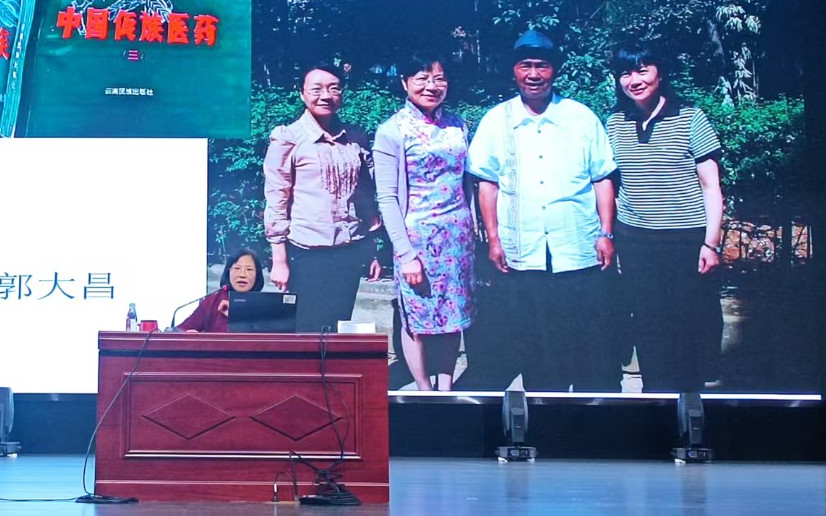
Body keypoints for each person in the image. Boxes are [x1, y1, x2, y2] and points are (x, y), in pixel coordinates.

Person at [466, 30, 620, 392]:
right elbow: (487, 184)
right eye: (526, 66)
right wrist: (494, 239)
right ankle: (545, 408)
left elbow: (602, 178)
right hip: (524, 251)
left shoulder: (580, 117)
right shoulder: (496, 120)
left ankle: (589, 411)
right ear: (514, 71)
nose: (534, 74)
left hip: (577, 248)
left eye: (542, 66)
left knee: (587, 338)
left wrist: (606, 233)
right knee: (536, 342)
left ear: (555, 70)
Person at [607, 40, 726, 392]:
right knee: (648, 322)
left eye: (642, 70)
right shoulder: (614, 123)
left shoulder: (690, 117)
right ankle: (655, 397)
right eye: (625, 73)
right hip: (635, 241)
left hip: (686, 240)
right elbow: (611, 184)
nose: (634, 80)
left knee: (690, 324)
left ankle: (691, 400)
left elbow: (711, 187)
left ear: (660, 73)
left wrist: (711, 243)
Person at [374, 55, 474, 391]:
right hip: (416, 240)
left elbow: (466, 182)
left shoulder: (458, 125)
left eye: (439, 78)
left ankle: (446, 388)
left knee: (452, 315)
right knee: (416, 318)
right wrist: (406, 254)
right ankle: (424, 391)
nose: (432, 86)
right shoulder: (392, 131)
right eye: (422, 78)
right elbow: (387, 198)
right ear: (404, 82)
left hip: (457, 239)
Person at [264, 65, 381, 333]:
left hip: (349, 250)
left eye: (333, 88)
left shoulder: (355, 138)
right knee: (306, 330)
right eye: (316, 89)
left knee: (337, 328)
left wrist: (371, 251)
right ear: (302, 93)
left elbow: (365, 197)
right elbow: (277, 199)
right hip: (306, 252)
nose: (325, 96)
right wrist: (279, 261)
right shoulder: (288, 138)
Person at [179, 249, 265, 333]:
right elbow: (180, 330)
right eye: (237, 268)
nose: (242, 274)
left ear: (257, 275)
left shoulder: (264, 305)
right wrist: (189, 335)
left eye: (249, 269)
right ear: (229, 271)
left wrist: (236, 315)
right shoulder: (212, 301)